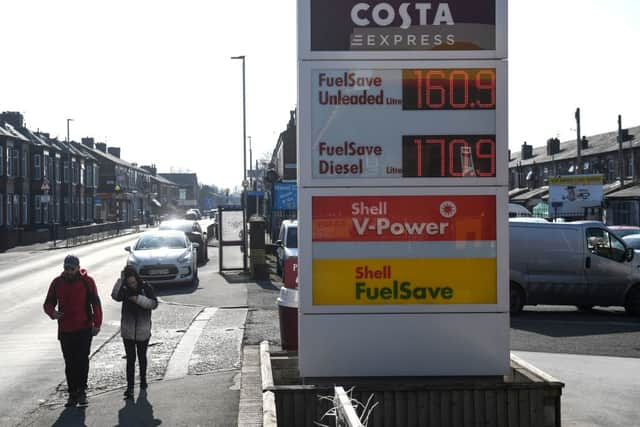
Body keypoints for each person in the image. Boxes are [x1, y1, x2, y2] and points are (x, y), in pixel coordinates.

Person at [43, 255, 103, 408]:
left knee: (82, 360)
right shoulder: (57, 283)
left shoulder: (87, 282)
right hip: (65, 329)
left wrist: (97, 323)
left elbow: (95, 302)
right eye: (66, 268)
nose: (68, 271)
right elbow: (48, 302)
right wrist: (53, 313)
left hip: (84, 327)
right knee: (69, 362)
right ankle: (72, 393)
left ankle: (82, 391)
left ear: (77, 268)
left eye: (71, 268)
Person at [111, 265, 158, 398]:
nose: (132, 285)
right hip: (128, 330)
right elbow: (115, 295)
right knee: (130, 359)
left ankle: (143, 380)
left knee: (142, 357)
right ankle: (130, 388)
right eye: (129, 282)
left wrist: (138, 300)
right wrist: (120, 281)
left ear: (137, 279)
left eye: (133, 282)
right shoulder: (124, 289)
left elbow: (154, 304)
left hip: (143, 330)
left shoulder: (146, 287)